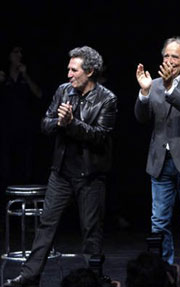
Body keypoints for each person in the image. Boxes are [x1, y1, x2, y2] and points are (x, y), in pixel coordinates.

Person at [5, 46, 118, 287]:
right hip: (62, 172)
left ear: (89, 71)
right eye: (68, 69)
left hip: (90, 175)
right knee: (46, 226)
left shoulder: (107, 99)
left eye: (73, 70)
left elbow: (99, 136)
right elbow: (45, 124)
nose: (68, 74)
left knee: (91, 231)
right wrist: (59, 121)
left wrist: (72, 123)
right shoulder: (63, 91)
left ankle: (95, 279)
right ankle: (29, 276)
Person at [134, 37, 180, 287]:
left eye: (174, 57)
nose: (168, 61)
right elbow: (142, 118)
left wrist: (169, 89)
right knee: (159, 221)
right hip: (160, 161)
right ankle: (164, 271)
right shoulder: (153, 84)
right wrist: (145, 94)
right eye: (166, 56)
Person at [0, 45, 42, 192]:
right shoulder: (3, 76)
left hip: (24, 128)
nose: (19, 56)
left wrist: (26, 76)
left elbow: (39, 94)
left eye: (21, 53)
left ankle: (24, 200)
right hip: (5, 128)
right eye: (15, 52)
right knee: (5, 167)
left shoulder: (26, 75)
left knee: (24, 167)